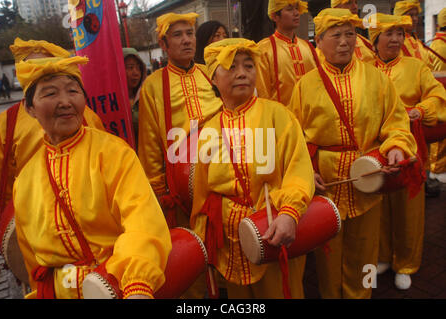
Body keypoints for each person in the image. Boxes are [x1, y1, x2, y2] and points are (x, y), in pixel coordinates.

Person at [12, 55, 172, 299]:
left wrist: (137, 284)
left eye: (73, 91)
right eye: (50, 93)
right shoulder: (24, 181)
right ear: (29, 107)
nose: (65, 102)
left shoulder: (114, 153)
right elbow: (33, 262)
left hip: (116, 287)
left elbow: (143, 221)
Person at [288, 8, 417, 299]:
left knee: (366, 252)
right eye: (336, 35)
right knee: (327, 253)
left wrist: (396, 147)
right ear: (318, 41)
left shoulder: (377, 79)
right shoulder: (304, 86)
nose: (345, 42)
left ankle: (362, 293)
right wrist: (308, 171)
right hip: (326, 185)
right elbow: (294, 139)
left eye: (350, 34)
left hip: (368, 179)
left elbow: (396, 122)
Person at [190, 38, 315, 299]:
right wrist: (203, 234)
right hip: (230, 239)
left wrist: (290, 213)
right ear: (213, 78)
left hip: (273, 228)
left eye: (249, 65)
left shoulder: (278, 115)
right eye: (232, 67)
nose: (242, 73)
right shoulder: (208, 131)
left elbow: (298, 170)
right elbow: (203, 193)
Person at [137, 12, 223, 298]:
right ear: (164, 44)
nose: (187, 40)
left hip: (221, 174)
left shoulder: (210, 72)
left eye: (190, 33)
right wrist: (160, 191)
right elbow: (149, 142)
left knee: (224, 243)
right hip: (181, 185)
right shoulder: (153, 85)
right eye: (178, 35)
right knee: (191, 251)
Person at [368, 12, 446, 291]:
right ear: (375, 39)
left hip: (410, 144)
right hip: (374, 146)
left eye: (400, 34)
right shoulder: (363, 68)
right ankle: (382, 256)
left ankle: (406, 263)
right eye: (389, 34)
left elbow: (438, 95)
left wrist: (420, 110)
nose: (396, 39)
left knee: (408, 207)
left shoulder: (416, 66)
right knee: (378, 206)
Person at [255, 0, 317, 105]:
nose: (296, 13)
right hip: (281, 118)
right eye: (289, 9)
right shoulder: (264, 49)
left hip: (310, 117)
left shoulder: (308, 48)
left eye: (297, 8)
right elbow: (263, 94)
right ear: (275, 16)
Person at [428, 7, 446, 188]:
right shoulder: (440, 46)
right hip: (441, 96)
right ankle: (437, 168)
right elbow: (440, 77)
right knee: (440, 136)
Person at [394, 0, 433, 69]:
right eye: (410, 15)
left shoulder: (416, 40)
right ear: (399, 17)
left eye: (416, 15)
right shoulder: (395, 41)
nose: (415, 19)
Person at [123, 47, 147, 147]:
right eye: (130, 67)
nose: (136, 73)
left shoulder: (145, 97)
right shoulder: (110, 102)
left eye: (138, 68)